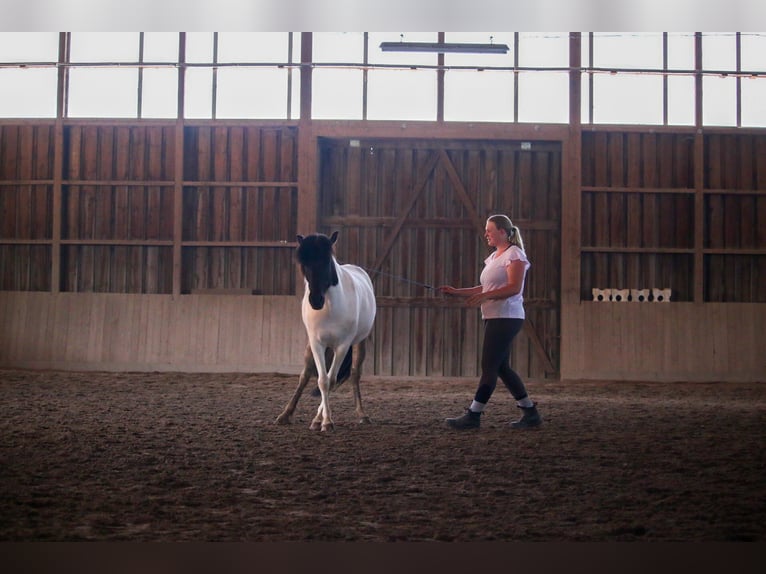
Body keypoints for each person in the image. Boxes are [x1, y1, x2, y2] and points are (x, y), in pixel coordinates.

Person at [438, 214, 542, 430]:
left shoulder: (515, 255)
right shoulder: (494, 257)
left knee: (489, 366)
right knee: (502, 368)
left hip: (507, 316)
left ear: (502, 232)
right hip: (495, 316)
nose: (486, 234)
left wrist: (486, 297)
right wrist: (457, 292)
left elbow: (514, 287)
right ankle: (530, 412)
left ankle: (474, 414)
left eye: (490, 230)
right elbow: (485, 288)